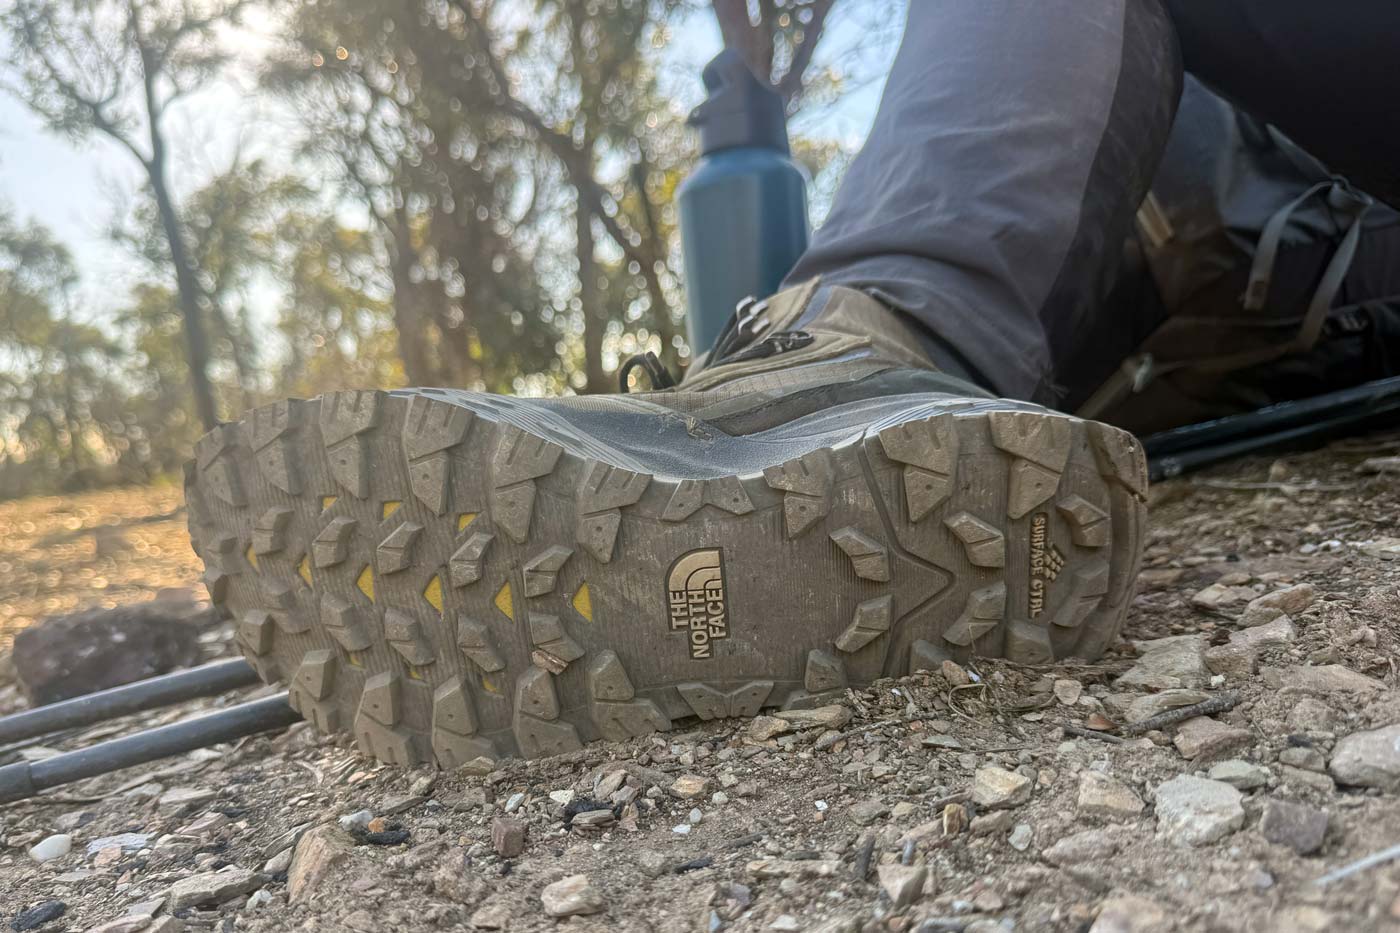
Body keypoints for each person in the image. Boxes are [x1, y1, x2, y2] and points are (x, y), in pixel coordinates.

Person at [184, 0, 1400, 767]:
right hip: (1246, 281)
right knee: (1064, 184)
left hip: (1298, 251)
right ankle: (859, 378)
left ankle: (860, 363)